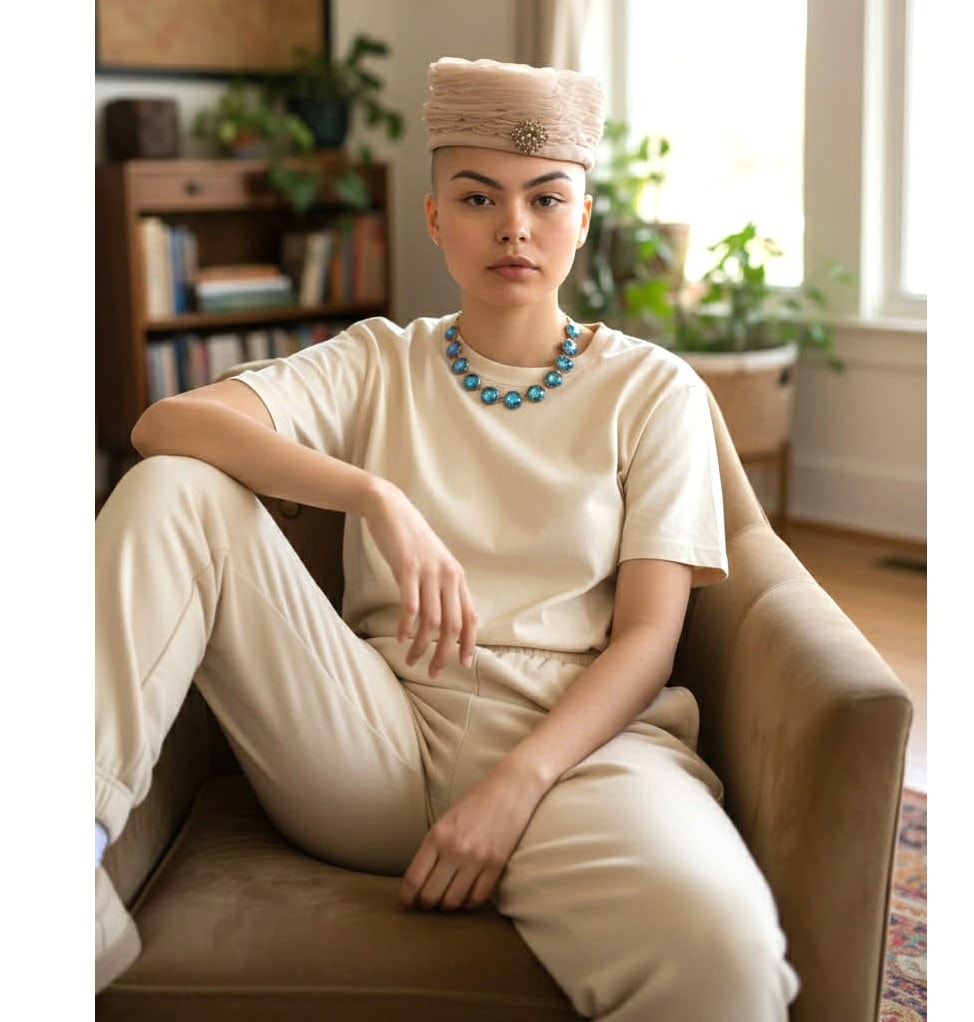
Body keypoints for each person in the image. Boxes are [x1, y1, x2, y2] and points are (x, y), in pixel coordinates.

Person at [95, 56, 800, 1019]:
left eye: (547, 199)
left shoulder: (654, 390)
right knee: (175, 487)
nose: (515, 227)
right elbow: (163, 424)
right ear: (436, 219)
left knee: (723, 948)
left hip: (577, 756)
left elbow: (647, 639)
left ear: (581, 219)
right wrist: (375, 494)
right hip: (369, 735)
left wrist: (513, 788)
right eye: (479, 197)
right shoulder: (379, 360)